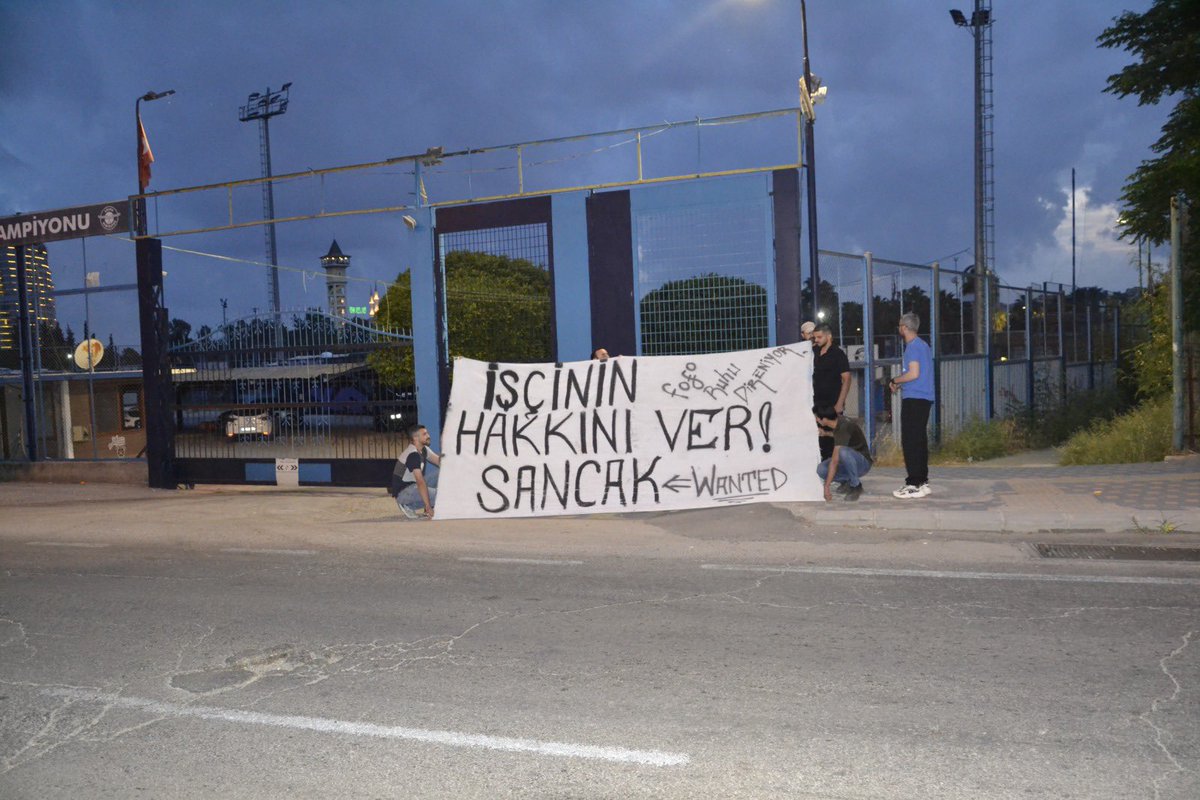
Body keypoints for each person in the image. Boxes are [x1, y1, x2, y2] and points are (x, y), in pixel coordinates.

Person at [889, 312, 934, 498]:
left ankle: (913, 483)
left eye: (900, 325)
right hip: (924, 397)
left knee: (911, 441)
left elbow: (913, 373)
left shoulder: (912, 347)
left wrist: (895, 380)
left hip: (914, 398)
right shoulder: (923, 345)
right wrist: (901, 382)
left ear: (905, 328)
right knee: (919, 440)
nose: (899, 328)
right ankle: (922, 481)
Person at [811, 323, 851, 461]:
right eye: (814, 337)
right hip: (816, 403)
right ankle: (822, 471)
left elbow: (846, 379)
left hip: (832, 403)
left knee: (833, 439)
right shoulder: (813, 352)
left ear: (829, 337)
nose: (816, 340)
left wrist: (840, 403)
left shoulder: (838, 354)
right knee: (818, 437)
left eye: (819, 337)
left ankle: (834, 474)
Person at [814, 405, 872, 502]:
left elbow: (834, 462)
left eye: (816, 417)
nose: (816, 420)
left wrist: (826, 487)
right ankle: (846, 481)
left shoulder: (844, 426)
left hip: (862, 463)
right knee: (821, 469)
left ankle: (856, 486)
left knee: (842, 452)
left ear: (824, 419)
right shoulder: (837, 421)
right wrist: (825, 433)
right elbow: (840, 436)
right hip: (849, 461)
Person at [391, 423, 441, 519]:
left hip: (413, 486)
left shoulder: (424, 449)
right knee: (441, 494)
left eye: (427, 433)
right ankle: (408, 505)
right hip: (403, 493)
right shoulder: (413, 455)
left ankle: (430, 504)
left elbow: (439, 462)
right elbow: (420, 482)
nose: (428, 436)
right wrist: (428, 507)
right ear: (415, 438)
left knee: (442, 473)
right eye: (424, 434)